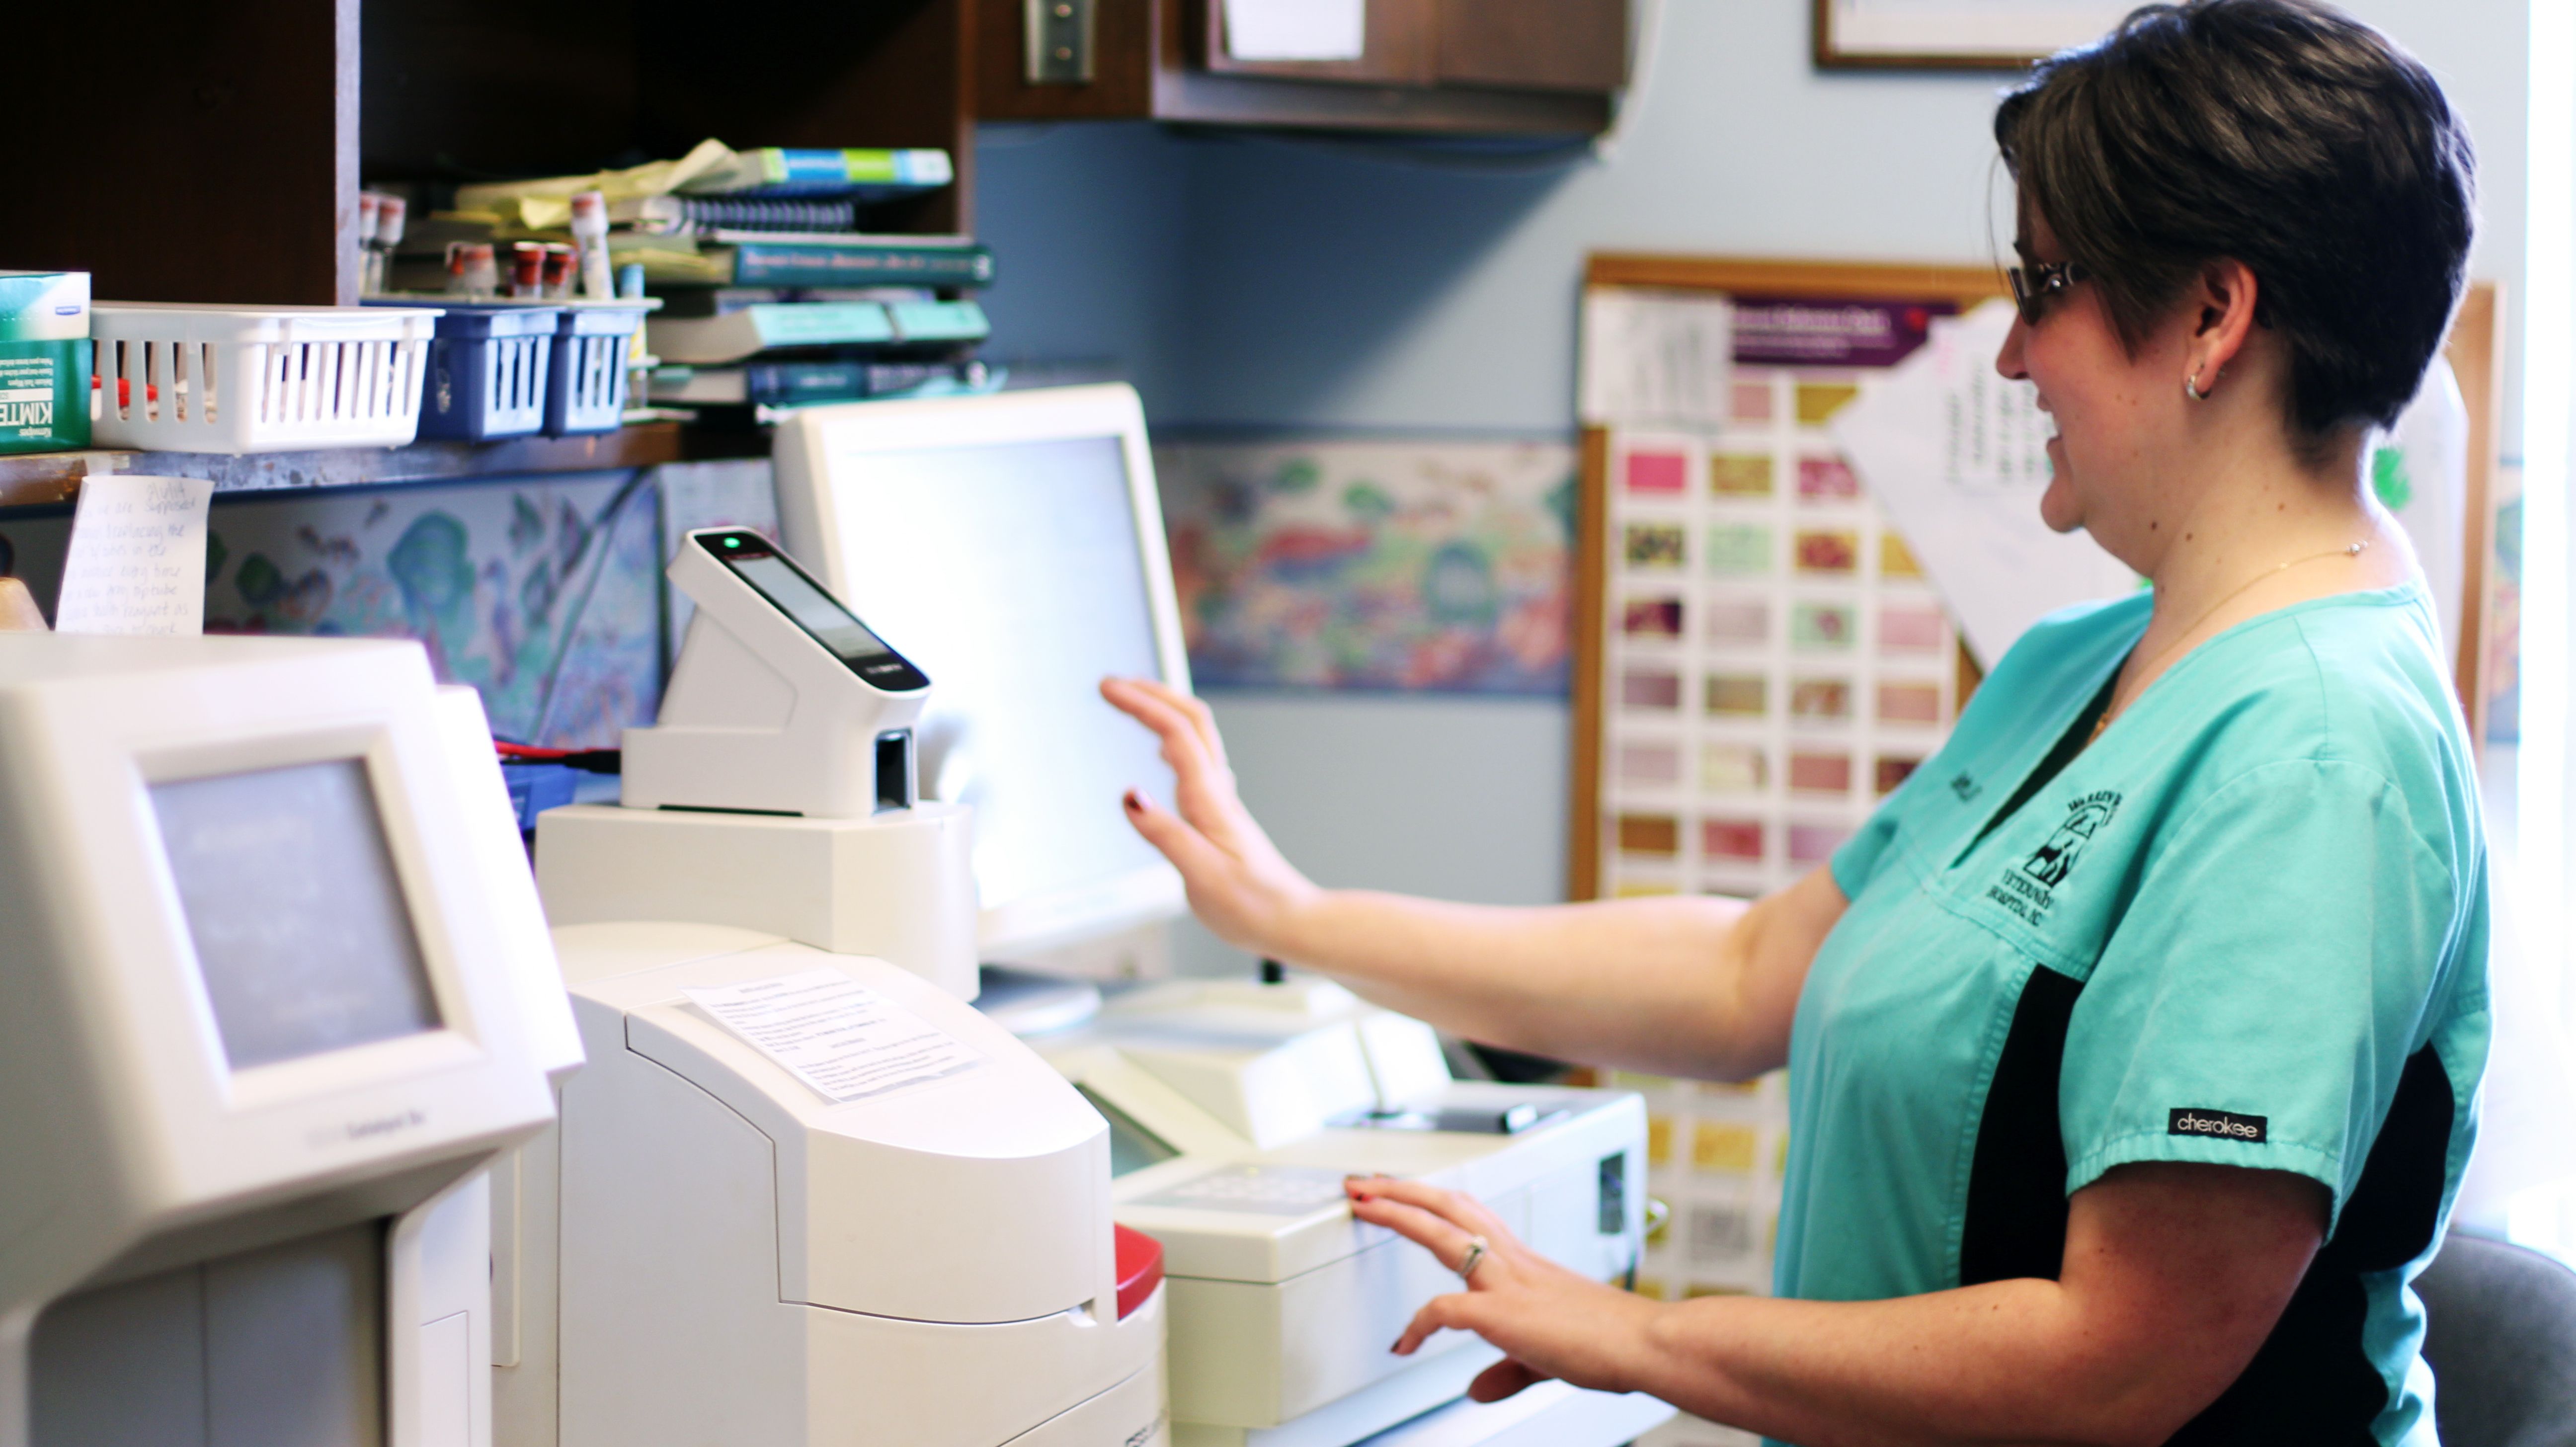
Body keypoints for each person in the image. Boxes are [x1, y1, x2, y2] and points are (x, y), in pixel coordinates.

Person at [1100, 1, 2489, 1441]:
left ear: (2212, 315)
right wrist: (1292, 913)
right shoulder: (2085, 666)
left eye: (2045, 287)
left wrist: (1643, 1337)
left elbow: (2117, 1363)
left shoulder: (2321, 757)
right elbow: (1749, 970)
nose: (2011, 359)